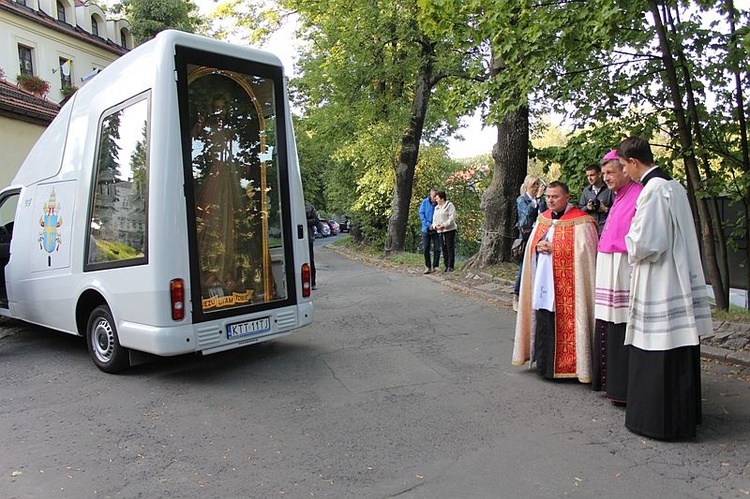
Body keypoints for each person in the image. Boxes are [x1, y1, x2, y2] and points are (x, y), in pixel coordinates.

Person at [618, 136, 711, 440]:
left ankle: (658, 421)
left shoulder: (654, 191)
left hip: (660, 278)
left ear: (634, 162)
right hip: (676, 272)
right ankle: (682, 417)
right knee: (677, 344)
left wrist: (629, 239)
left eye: (623, 166)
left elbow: (648, 242)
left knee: (658, 342)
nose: (626, 173)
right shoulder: (675, 185)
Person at [512, 181, 598, 382]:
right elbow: (531, 247)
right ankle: (545, 365)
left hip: (568, 285)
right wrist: (537, 247)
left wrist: (556, 249)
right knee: (543, 317)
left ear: (567, 197)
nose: (550, 200)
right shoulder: (543, 219)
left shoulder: (581, 222)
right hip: (543, 279)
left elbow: (586, 253)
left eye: (555, 197)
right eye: (548, 196)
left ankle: (572, 366)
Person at [592, 150, 643, 404]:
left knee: (620, 321)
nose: (606, 178)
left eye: (610, 172)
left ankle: (622, 388)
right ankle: (609, 383)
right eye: (604, 174)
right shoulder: (616, 195)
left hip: (622, 269)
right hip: (609, 267)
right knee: (608, 322)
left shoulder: (640, 193)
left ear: (626, 169)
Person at [513, 176, 542, 311]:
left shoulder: (541, 200)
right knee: (523, 266)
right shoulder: (521, 200)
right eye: (533, 185)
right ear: (527, 186)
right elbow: (528, 212)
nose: (536, 187)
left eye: (537, 184)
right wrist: (536, 200)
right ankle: (517, 295)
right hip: (526, 236)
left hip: (540, 235)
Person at [579, 164, 614, 235]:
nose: (589, 178)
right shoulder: (586, 191)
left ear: (599, 174)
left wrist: (605, 209)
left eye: (592, 175)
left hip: (606, 229)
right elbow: (580, 211)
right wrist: (587, 208)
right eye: (587, 176)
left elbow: (618, 210)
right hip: (590, 229)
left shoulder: (610, 189)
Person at [432, 190, 457, 272]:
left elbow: (452, 218)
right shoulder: (436, 208)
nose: (436, 200)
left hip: (449, 229)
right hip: (440, 231)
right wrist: (436, 226)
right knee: (443, 247)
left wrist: (444, 225)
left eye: (437, 198)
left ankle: (451, 265)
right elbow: (434, 219)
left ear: (442, 198)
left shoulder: (449, 205)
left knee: (449, 247)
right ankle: (446, 265)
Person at [418, 189, 441, 274]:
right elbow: (421, 213)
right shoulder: (425, 202)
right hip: (426, 229)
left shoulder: (439, 204)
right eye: (433, 196)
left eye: (436, 196)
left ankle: (436, 266)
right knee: (426, 248)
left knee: (437, 248)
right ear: (430, 195)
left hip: (436, 229)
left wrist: (435, 225)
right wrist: (428, 225)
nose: (435, 198)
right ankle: (428, 266)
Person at [305, 201, 319, 290]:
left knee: (310, 260)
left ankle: (312, 282)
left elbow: (316, 221)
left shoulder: (309, 207)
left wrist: (304, 221)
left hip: (308, 237)